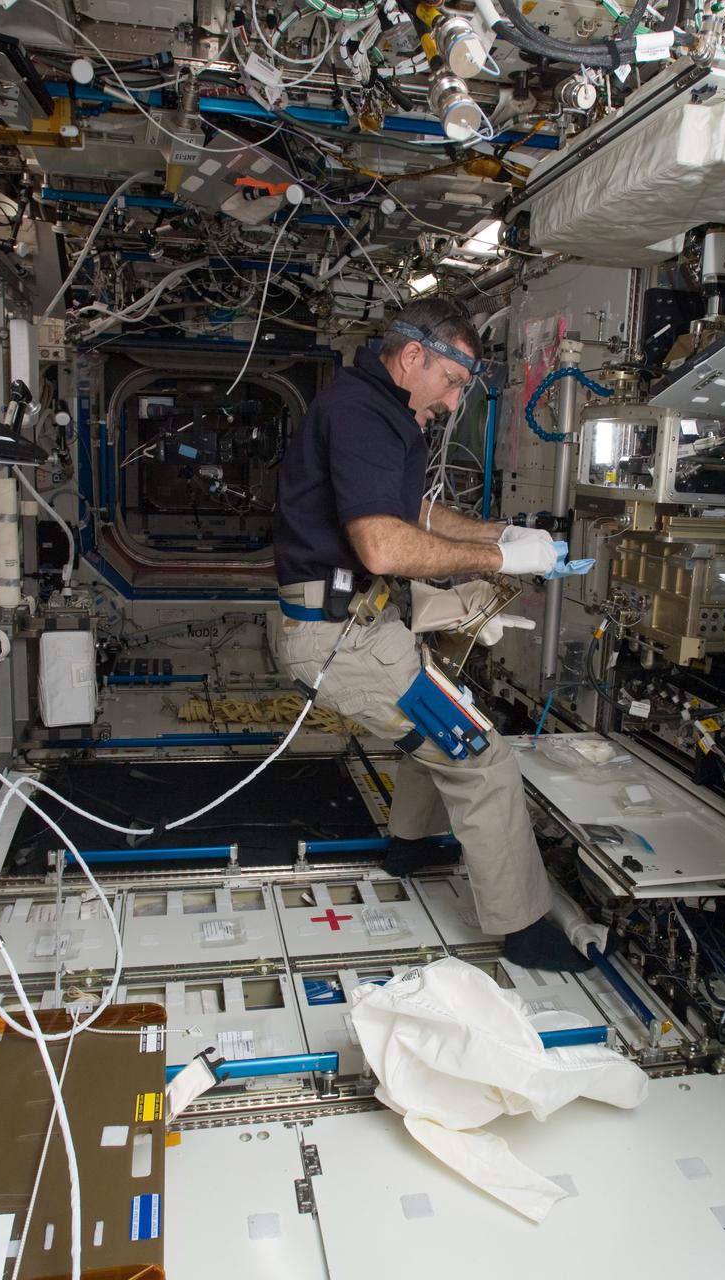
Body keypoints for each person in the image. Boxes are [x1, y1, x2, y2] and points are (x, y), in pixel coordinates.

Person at [271, 298, 591, 972]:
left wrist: (502, 534)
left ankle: (411, 845)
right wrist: (500, 560)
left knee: (437, 723)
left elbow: (411, 509)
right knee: (480, 758)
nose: (450, 403)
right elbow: (385, 546)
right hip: (338, 642)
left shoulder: (376, 408)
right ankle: (525, 929)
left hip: (359, 628)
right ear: (414, 355)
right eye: (451, 382)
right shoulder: (362, 413)